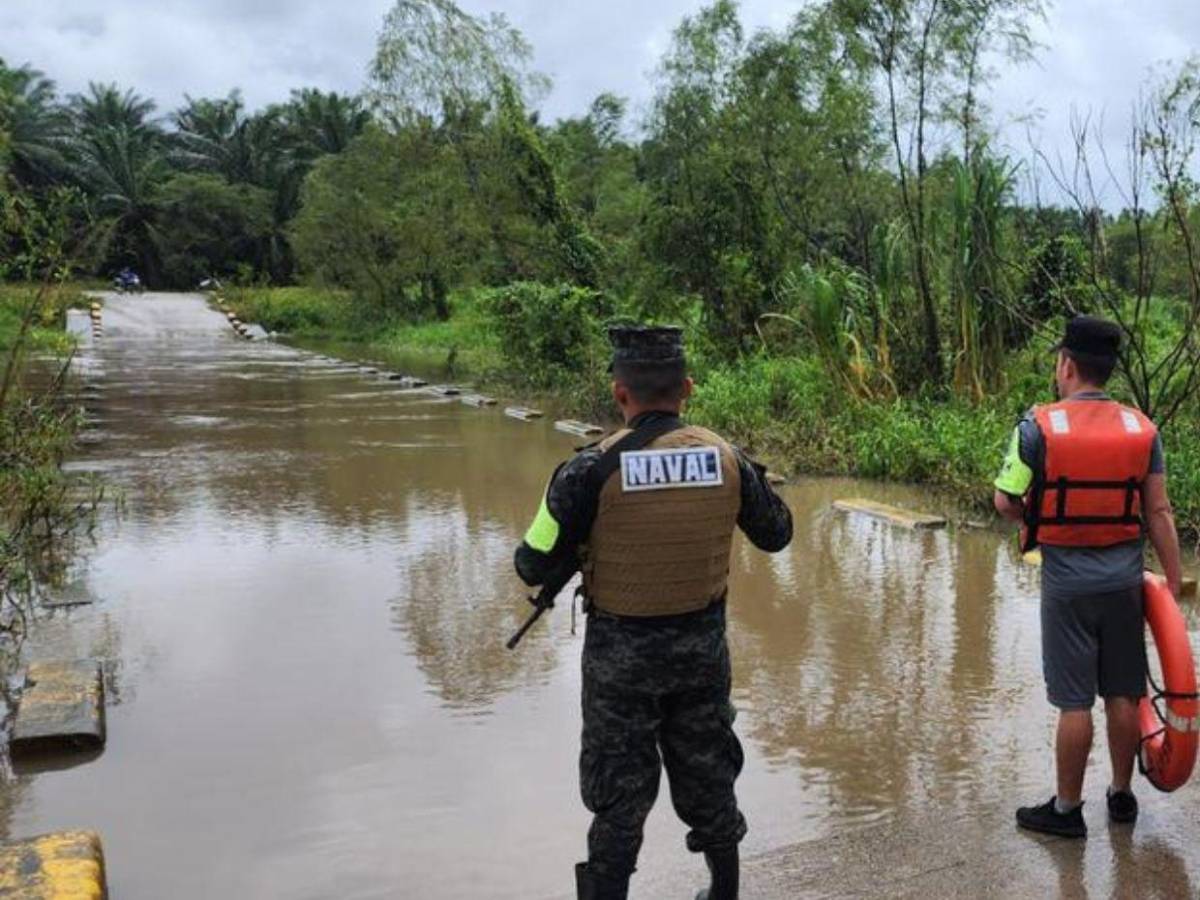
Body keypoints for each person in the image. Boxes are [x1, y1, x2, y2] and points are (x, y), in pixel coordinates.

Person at [514, 326, 793, 900]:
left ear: (620, 394)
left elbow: (531, 562)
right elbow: (778, 533)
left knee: (618, 796)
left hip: (621, 664)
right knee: (709, 774)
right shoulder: (729, 459)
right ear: (687, 389)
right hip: (701, 654)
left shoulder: (587, 472)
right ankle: (722, 893)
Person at [993, 315, 1183, 839]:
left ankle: (1067, 808)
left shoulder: (1036, 426)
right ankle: (1121, 797)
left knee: (1074, 701)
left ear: (1067, 366)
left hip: (1067, 586)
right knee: (1123, 692)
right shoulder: (1142, 429)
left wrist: (1035, 518)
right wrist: (1173, 581)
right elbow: (1160, 512)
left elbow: (1004, 500)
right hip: (1125, 583)